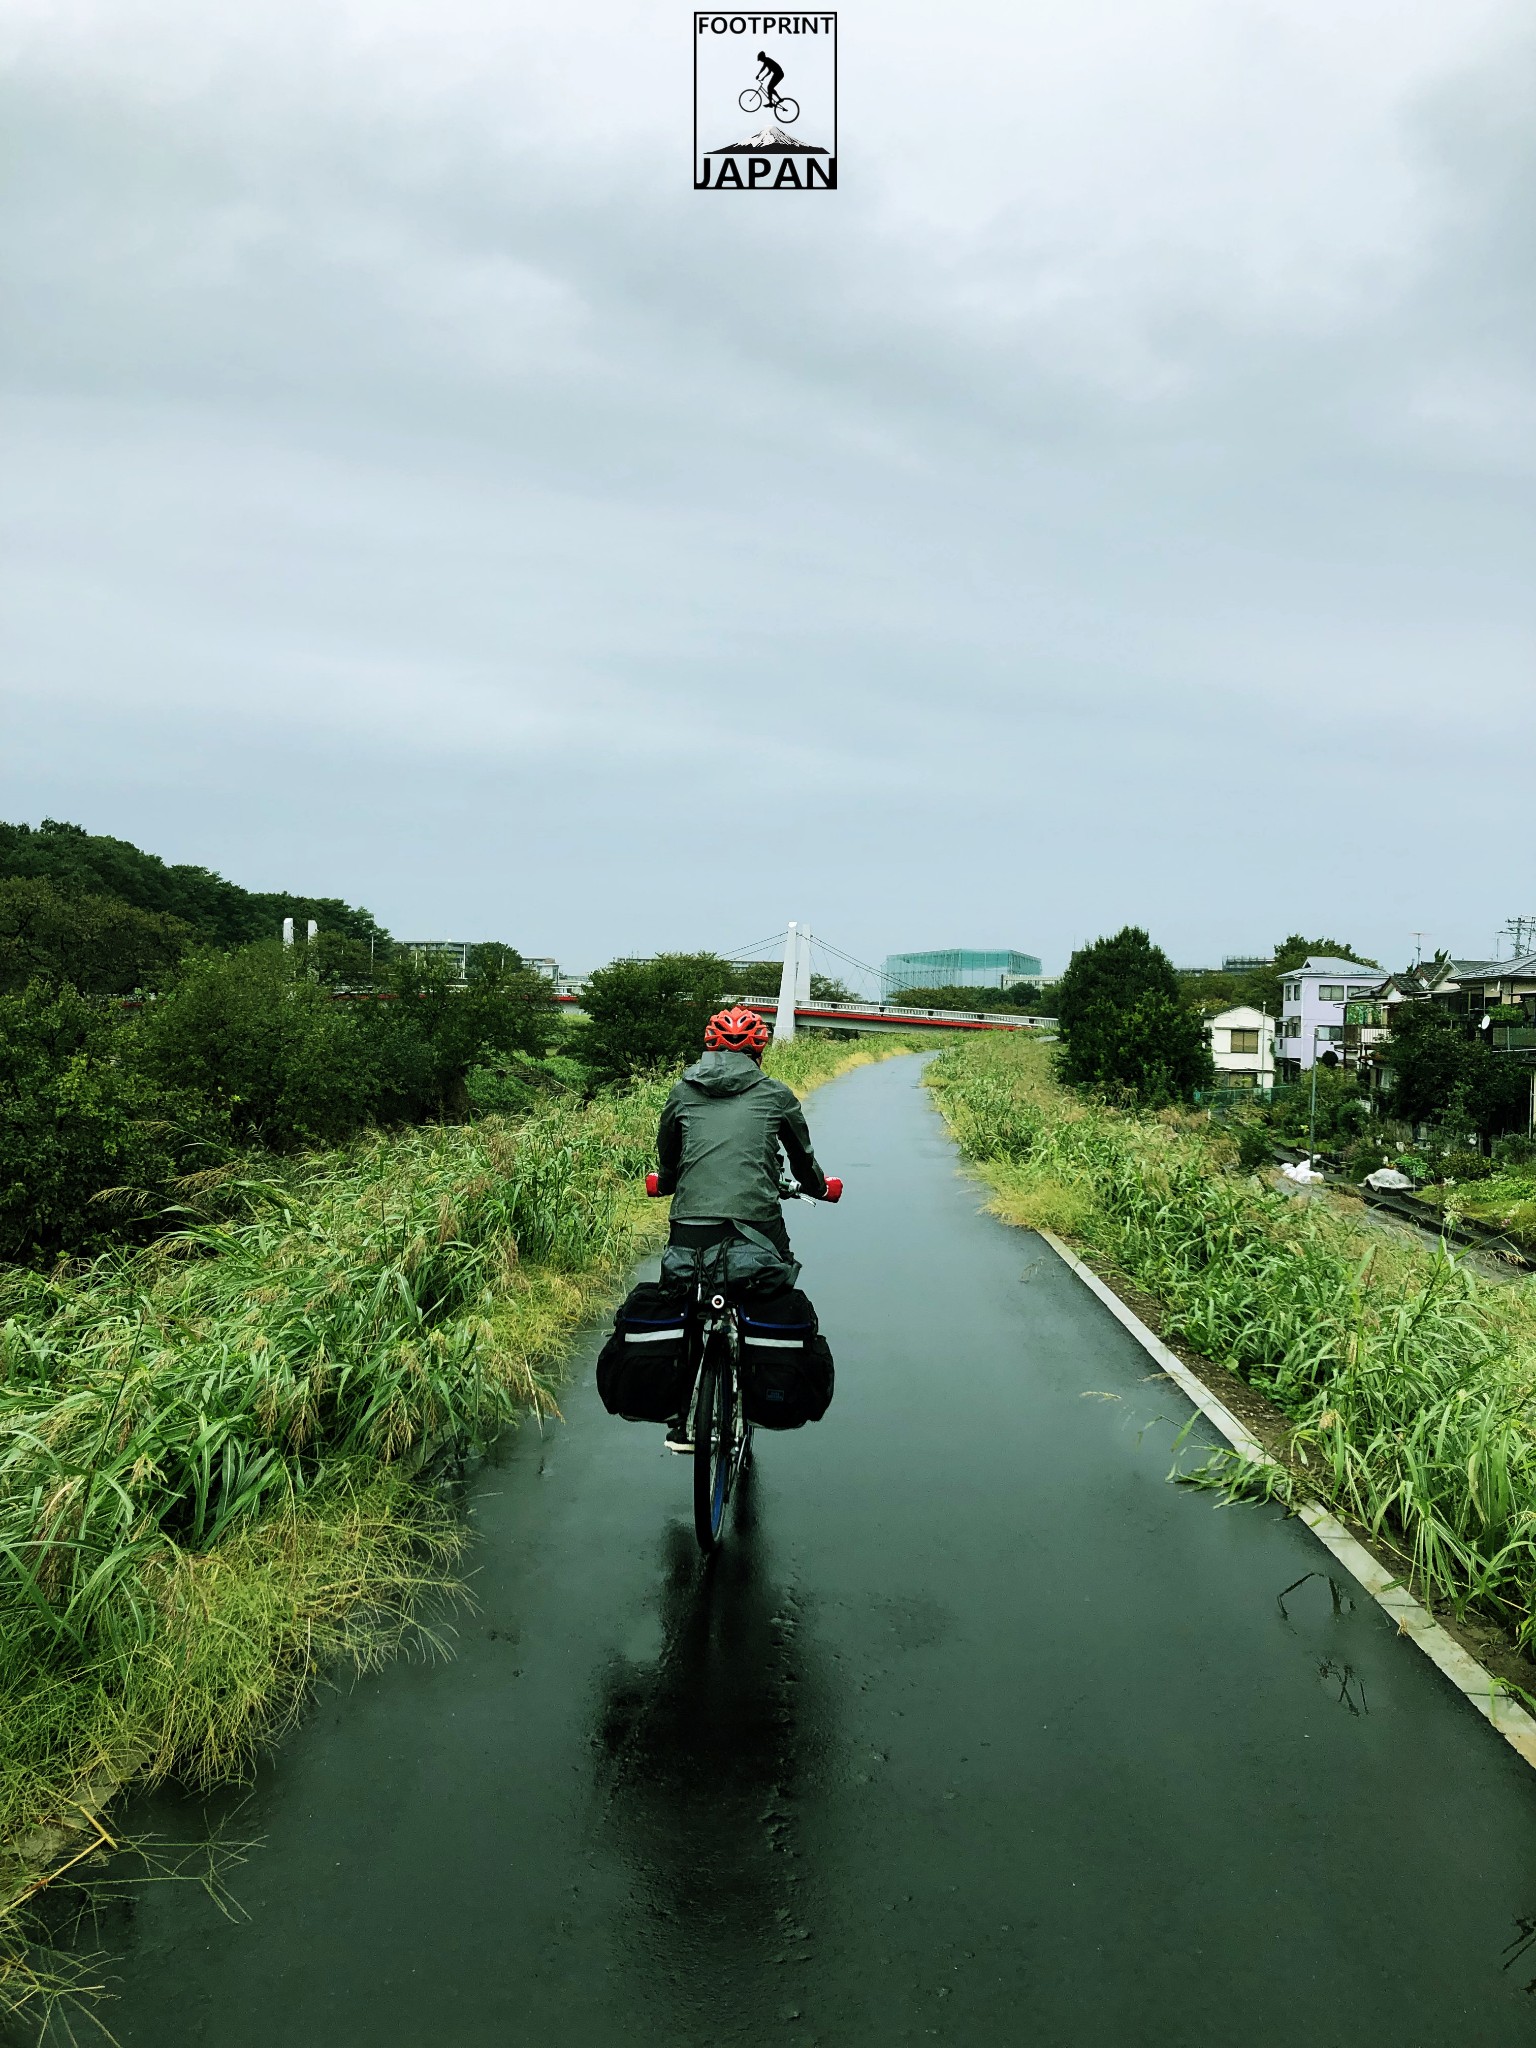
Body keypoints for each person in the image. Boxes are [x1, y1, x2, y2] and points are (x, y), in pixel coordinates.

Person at [650, 1006, 840, 1448]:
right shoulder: (775, 1094)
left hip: (690, 1224)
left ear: (709, 1045)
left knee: (689, 1299)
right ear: (760, 1049)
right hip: (757, 1224)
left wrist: (668, 1183)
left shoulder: (682, 1091)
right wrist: (820, 1188)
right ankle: (761, 1386)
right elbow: (802, 1159)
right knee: (776, 1274)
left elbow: (668, 1153)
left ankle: (683, 1420)